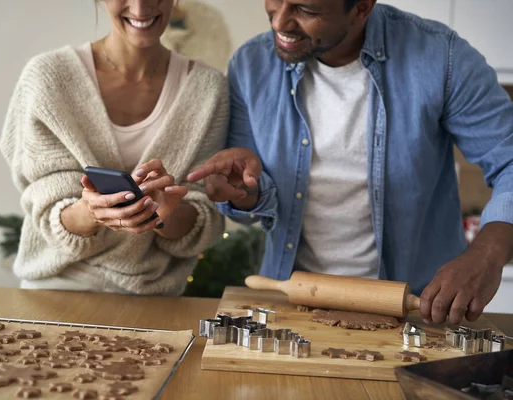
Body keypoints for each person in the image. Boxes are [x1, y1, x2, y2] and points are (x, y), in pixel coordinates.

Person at [188, 0, 513, 324]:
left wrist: (486, 256)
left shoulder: (441, 57)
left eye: (306, 10)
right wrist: (244, 192)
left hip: (418, 308)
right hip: (293, 308)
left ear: (361, 8)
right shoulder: (251, 65)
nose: (279, 23)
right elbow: (252, 199)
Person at [0, 0, 228, 295]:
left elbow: (203, 217)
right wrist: (90, 212)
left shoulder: (208, 89)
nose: (140, 7)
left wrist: (162, 214)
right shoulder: (48, 78)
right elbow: (44, 203)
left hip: (151, 298)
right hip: (55, 288)